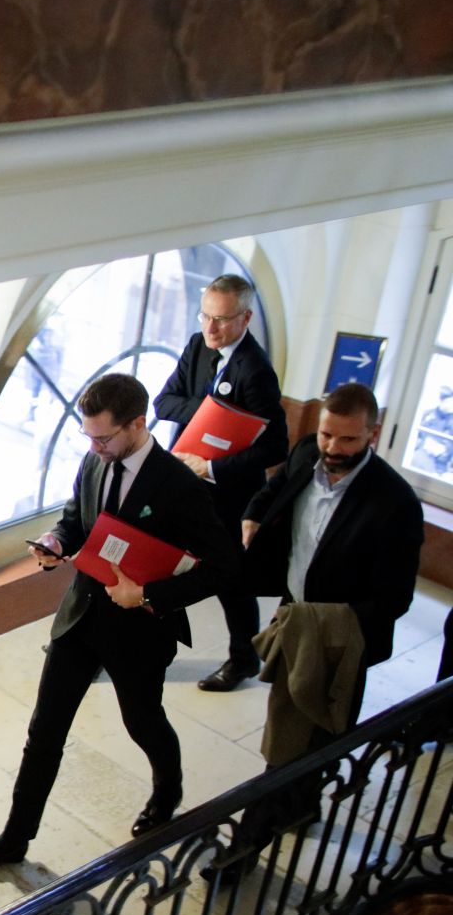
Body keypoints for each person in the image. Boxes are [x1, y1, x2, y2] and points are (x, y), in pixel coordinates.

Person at [0, 373, 237, 868]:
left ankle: (166, 793)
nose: (94, 445)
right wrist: (57, 542)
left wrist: (147, 593)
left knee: (143, 721)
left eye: (103, 436)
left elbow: (223, 566)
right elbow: (76, 518)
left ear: (137, 423)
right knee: (44, 731)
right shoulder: (93, 461)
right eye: (88, 436)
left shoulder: (178, 485)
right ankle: (15, 839)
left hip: (139, 631)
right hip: (81, 617)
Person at [220, 384, 423, 857]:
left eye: (348, 441)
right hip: (295, 617)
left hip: (340, 640)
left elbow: (395, 599)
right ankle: (297, 808)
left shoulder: (395, 504)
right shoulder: (307, 452)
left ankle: (244, 848)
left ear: (373, 435)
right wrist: (253, 514)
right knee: (292, 737)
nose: (333, 449)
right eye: (328, 435)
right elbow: (275, 488)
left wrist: (320, 624)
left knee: (315, 736)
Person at [153, 273, 288, 692]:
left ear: (246, 318)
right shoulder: (198, 346)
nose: (211, 328)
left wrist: (212, 468)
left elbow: (276, 446)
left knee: (231, 579)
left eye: (222, 320)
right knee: (153, 554)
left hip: (227, 492)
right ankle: (126, 642)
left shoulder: (256, 371)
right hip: (179, 477)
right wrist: (213, 413)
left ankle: (243, 659)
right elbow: (163, 403)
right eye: (205, 316)